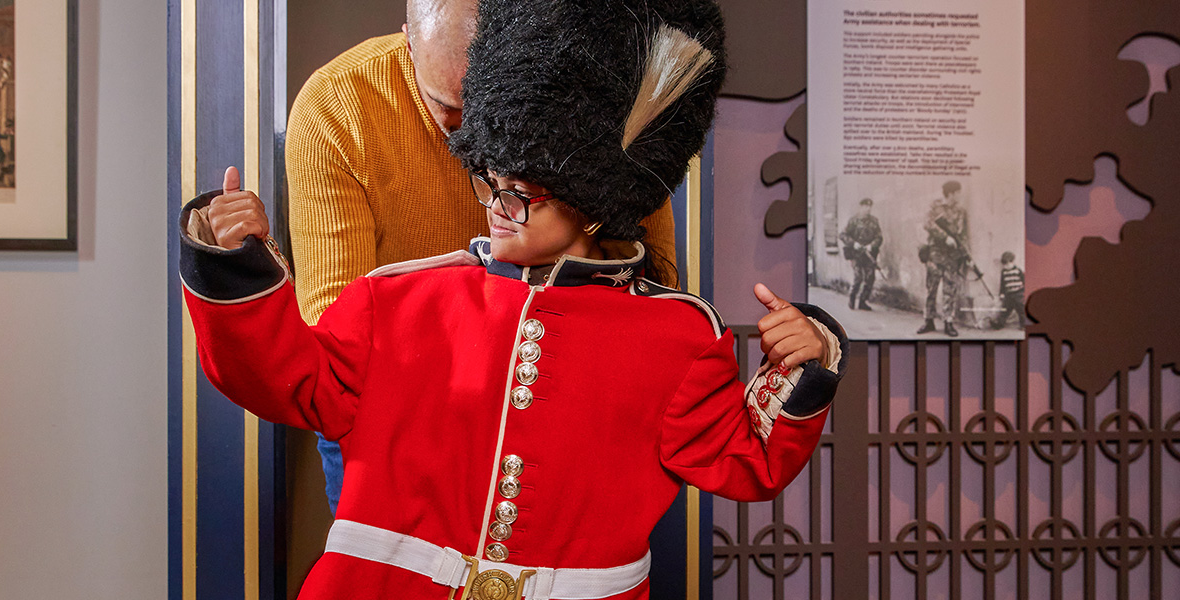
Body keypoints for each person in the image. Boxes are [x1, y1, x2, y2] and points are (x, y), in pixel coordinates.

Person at [181, 1, 847, 597]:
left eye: (520, 196)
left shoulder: (676, 339)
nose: (495, 210)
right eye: (491, 183)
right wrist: (236, 263)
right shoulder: (393, 301)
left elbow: (745, 462)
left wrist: (802, 360)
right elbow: (286, 376)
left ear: (593, 207)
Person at [285, 0, 679, 514]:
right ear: (408, 41)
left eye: (495, 102)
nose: (479, 143)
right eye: (451, 111)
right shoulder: (337, 107)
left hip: (561, 395)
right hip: (394, 403)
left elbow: (653, 272)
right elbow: (333, 333)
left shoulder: (586, 83)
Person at [918, 181, 969, 337]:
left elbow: (963, 234)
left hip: (952, 256)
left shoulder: (961, 210)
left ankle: (948, 322)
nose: (960, 196)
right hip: (935, 253)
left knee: (950, 290)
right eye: (958, 192)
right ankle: (929, 321)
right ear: (951, 193)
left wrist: (966, 253)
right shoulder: (936, 207)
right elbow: (927, 224)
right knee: (931, 288)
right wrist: (945, 237)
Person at [839, 197, 882, 310]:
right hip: (856, 254)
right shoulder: (853, 221)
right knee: (858, 277)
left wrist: (871, 245)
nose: (867, 209)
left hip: (869, 254)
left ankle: (863, 301)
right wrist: (854, 244)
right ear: (861, 207)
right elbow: (843, 235)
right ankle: (852, 298)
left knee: (870, 278)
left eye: (869, 207)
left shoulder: (874, 221)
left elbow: (879, 237)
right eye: (865, 206)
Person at [994, 251, 1025, 329]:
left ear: (1012, 262)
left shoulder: (1018, 270)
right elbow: (1003, 284)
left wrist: (1024, 291)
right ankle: (999, 324)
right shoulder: (1004, 272)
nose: (1006, 266)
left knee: (1021, 310)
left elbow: (1024, 281)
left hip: (1018, 294)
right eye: (1004, 264)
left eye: (1008, 264)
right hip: (1009, 294)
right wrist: (1001, 293)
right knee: (1005, 310)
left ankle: (1023, 325)